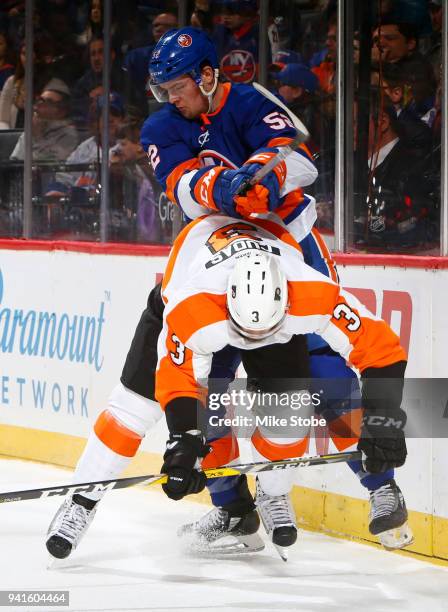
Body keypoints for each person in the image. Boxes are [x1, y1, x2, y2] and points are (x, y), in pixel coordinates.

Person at [45, 27, 412, 560]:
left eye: (177, 86)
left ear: (210, 75)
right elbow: (184, 191)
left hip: (290, 250)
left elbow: (303, 162)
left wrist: (268, 172)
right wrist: (181, 438)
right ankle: (231, 508)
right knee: (185, 398)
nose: (170, 97)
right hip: (211, 265)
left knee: (320, 375)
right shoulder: (161, 127)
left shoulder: (250, 103)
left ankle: (377, 484)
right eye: (163, 87)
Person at [9, 78, 77, 162]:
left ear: (62, 111)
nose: (39, 106)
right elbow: (15, 162)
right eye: (40, 100)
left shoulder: (68, 135)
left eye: (48, 102)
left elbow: (51, 168)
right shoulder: (32, 129)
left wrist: (38, 137)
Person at [212, 0, 263, 84]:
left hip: (250, 90)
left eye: (231, 12)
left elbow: (263, 71)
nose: (226, 17)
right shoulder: (220, 33)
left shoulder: (258, 34)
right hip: (225, 89)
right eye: (224, 12)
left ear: (246, 14)